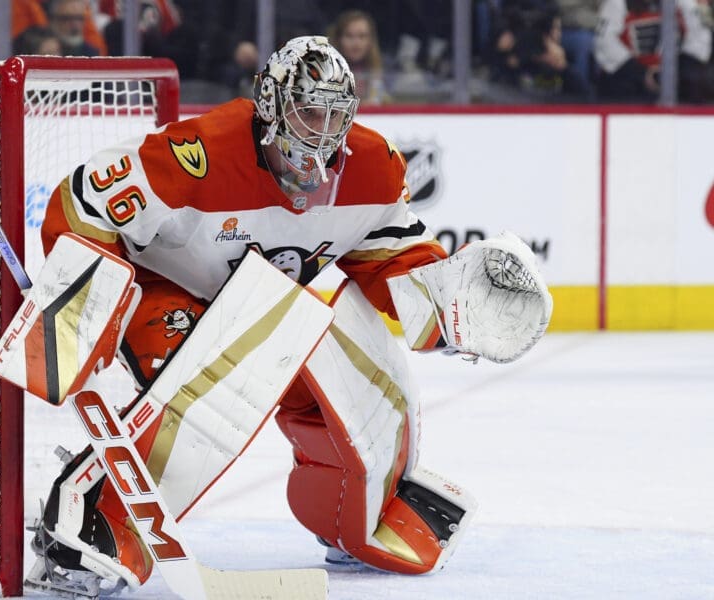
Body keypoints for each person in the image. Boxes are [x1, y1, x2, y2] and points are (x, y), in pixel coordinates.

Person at [27, 35, 550, 595]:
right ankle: (87, 525)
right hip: (164, 290)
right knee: (211, 378)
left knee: (369, 378)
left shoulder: (371, 168)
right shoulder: (200, 154)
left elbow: (389, 258)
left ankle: (359, 514)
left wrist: (447, 303)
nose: (323, 130)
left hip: (262, 309)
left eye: (335, 114)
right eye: (308, 110)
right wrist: (90, 305)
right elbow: (81, 203)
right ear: (272, 103)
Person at [594, 0, 714, 103]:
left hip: (677, 75)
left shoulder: (683, 3)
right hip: (631, 76)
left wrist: (672, 71)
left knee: (696, 81)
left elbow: (699, 40)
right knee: (613, 85)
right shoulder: (617, 3)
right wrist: (642, 73)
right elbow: (605, 42)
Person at [328, 9, 388, 104]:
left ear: (371, 40)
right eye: (349, 36)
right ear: (338, 39)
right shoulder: (326, 73)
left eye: (362, 36)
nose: (356, 43)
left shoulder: (382, 72)